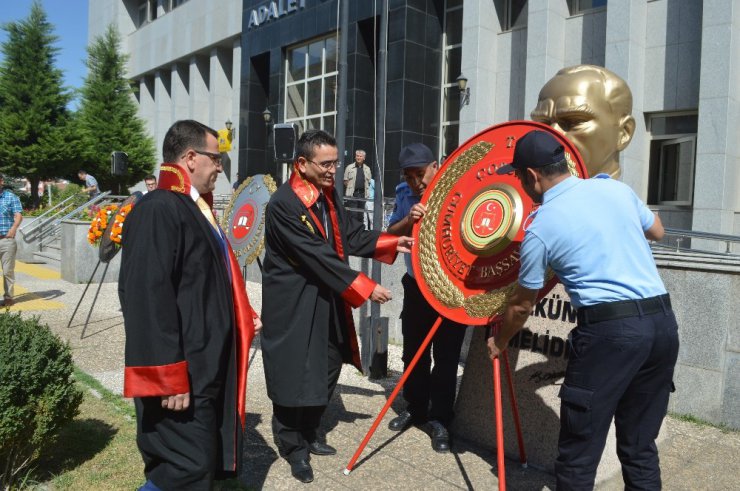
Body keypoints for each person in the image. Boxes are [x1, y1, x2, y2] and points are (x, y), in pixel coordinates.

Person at [487, 130, 678, 490]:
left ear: (531, 175)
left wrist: (500, 341)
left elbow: (522, 304)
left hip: (610, 336)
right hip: (662, 326)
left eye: (517, 176)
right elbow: (658, 231)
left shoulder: (542, 227)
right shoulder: (615, 189)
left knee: (578, 457)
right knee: (639, 447)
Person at [261, 130, 412, 484]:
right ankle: (293, 446)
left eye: (335, 162)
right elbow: (315, 254)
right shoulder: (285, 203)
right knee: (293, 371)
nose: (333, 170)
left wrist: (393, 240)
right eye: (326, 163)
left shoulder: (328, 196)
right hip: (294, 301)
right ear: (302, 163)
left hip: (325, 294)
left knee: (328, 362)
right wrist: (363, 286)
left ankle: (311, 430)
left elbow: (351, 235)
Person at [119, 120, 261, 490]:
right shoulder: (158, 209)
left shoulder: (195, 209)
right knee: (183, 470)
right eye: (216, 158)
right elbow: (147, 300)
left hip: (203, 368)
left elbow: (203, 284)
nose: (220, 167)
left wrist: (241, 317)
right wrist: (167, 377)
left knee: (199, 466)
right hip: (180, 376)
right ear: (191, 157)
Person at [386, 143, 467, 453]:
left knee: (446, 358)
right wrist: (410, 219)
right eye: (409, 177)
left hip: (450, 288)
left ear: (436, 166)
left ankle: (441, 419)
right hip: (416, 284)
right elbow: (391, 232)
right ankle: (416, 406)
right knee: (414, 352)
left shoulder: (458, 188)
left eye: (420, 174)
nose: (416, 182)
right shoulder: (404, 193)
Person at [531, 64, 635, 179]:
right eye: (543, 124)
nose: (553, 135)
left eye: (575, 121)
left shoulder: (623, 197)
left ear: (624, 133)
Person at [0, 174, 22, 307]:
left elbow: (18, 215)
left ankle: (8, 297)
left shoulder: (11, 197)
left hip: (6, 240)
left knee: (7, 270)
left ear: (1, 181)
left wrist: (14, 228)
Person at [343, 149, 372, 224]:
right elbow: (345, 181)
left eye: (360, 156)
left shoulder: (367, 169)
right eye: (357, 156)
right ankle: (353, 233)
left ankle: (360, 233)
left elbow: (368, 182)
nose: (358, 158)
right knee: (353, 215)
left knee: (361, 215)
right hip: (352, 194)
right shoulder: (349, 167)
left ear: (364, 158)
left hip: (362, 195)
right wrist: (350, 188)